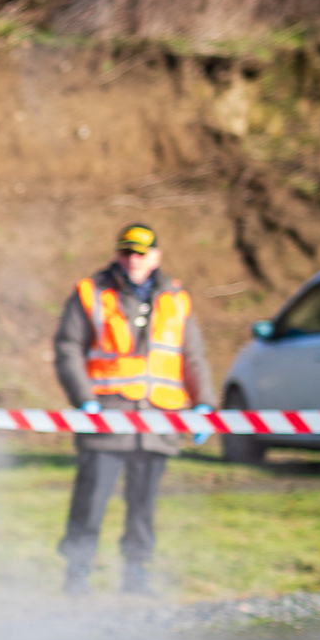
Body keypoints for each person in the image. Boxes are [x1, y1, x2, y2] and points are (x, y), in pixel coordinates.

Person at [53, 223, 215, 596]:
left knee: (144, 507)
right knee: (90, 501)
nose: (133, 260)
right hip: (107, 417)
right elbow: (68, 348)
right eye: (127, 252)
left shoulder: (176, 298)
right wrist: (84, 399)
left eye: (141, 253)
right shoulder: (92, 293)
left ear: (156, 256)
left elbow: (192, 356)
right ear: (117, 255)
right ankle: (77, 573)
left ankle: (136, 574)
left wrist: (204, 402)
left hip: (158, 420)